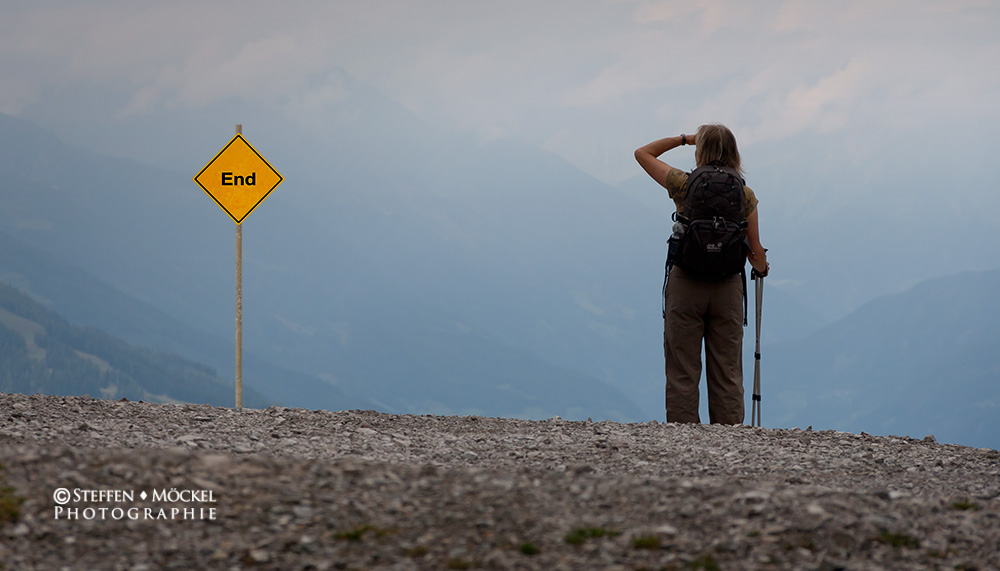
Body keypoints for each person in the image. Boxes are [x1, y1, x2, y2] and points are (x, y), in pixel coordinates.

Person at [634, 124, 769, 425]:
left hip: (685, 285)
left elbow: (642, 153)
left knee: (682, 370)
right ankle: (730, 442)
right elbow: (755, 252)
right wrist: (761, 266)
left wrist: (683, 139)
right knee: (727, 372)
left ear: (700, 151)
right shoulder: (744, 194)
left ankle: (684, 446)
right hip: (728, 288)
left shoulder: (683, 184)